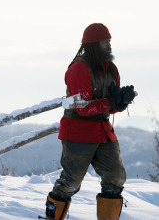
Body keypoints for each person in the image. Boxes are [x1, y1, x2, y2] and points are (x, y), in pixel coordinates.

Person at [44, 23, 135, 220]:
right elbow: (83, 108)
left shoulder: (111, 69)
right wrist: (109, 102)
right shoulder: (79, 68)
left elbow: (110, 107)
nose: (109, 45)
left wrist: (121, 102)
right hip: (78, 134)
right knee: (71, 182)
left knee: (116, 177)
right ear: (94, 44)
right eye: (105, 41)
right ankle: (52, 218)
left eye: (109, 40)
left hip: (103, 132)